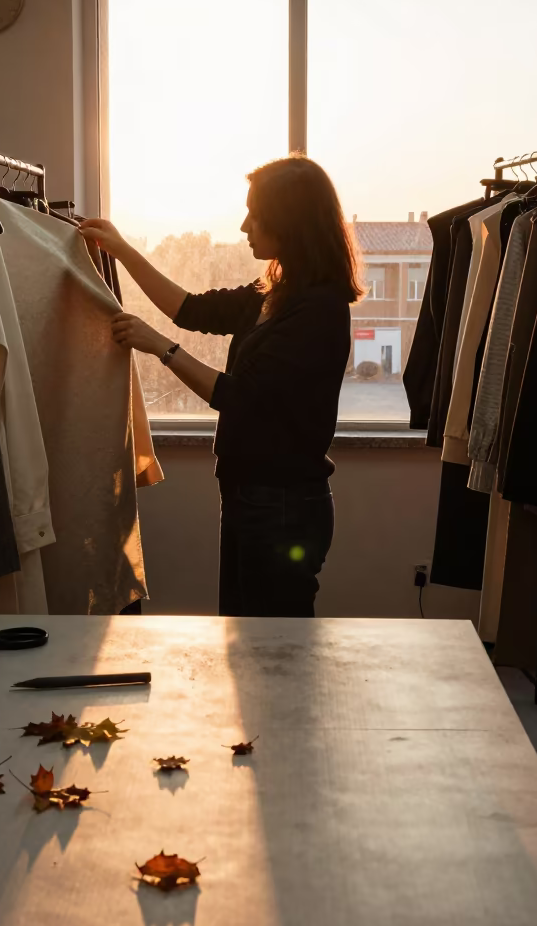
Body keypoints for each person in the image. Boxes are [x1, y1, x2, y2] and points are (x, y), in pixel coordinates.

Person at [80, 155, 363, 617]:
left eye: (256, 213)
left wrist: (161, 348)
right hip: (251, 496)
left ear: (289, 220)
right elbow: (190, 309)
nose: (244, 225)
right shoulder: (272, 294)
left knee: (273, 648)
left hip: (284, 509)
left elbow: (237, 396)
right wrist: (122, 250)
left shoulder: (319, 310)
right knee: (246, 639)